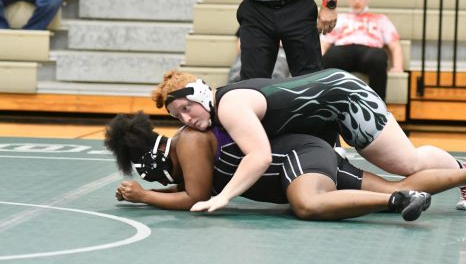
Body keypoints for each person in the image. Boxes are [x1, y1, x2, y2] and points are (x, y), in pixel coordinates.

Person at [152, 68, 466, 212]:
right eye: (177, 117)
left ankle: (464, 170)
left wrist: (224, 197)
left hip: (346, 99)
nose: (186, 119)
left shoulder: (230, 106)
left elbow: (259, 157)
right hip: (320, 119)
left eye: (186, 108)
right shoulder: (218, 109)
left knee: (406, 163)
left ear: (201, 94)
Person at [105, 111, 441, 222]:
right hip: (301, 155)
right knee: (401, 185)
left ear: (149, 157)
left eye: (141, 168)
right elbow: (191, 189)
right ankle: (464, 173)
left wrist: (145, 196)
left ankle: (395, 202)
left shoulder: (189, 143)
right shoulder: (184, 149)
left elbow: (195, 196)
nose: (145, 175)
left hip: (297, 158)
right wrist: (147, 193)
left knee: (308, 204)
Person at [175, 0, 339, 78]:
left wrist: (329, 4)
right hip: (256, 11)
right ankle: (254, 128)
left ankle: (313, 128)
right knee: (251, 80)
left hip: (298, 7)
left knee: (310, 77)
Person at [321, 0, 404, 101]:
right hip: (343, 51)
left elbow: (395, 45)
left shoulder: (381, 19)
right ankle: (326, 105)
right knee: (331, 56)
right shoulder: (339, 18)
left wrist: (398, 66)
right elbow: (324, 43)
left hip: (370, 52)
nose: (357, 1)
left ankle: (379, 107)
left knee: (378, 57)